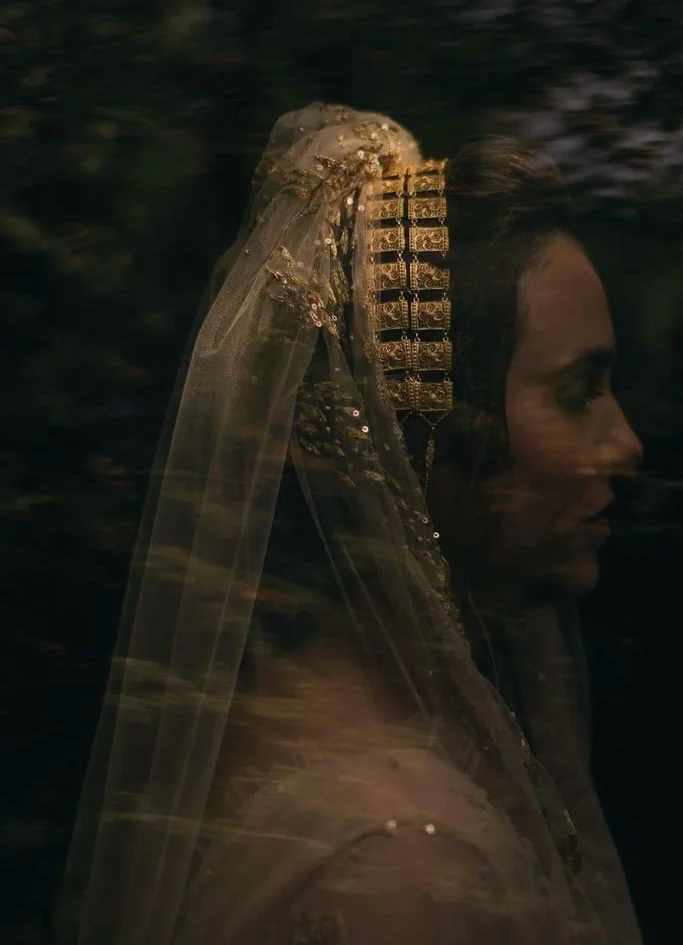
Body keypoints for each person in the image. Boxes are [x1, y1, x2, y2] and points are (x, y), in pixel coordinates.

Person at [59, 104, 644, 945]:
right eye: (578, 392)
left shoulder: (292, 707)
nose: (626, 444)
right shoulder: (410, 866)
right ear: (428, 434)